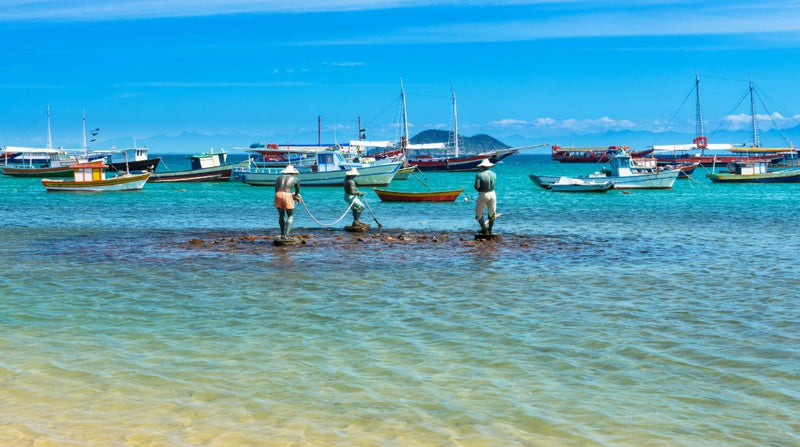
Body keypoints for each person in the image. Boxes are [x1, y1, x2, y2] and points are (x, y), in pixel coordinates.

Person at [274, 165, 301, 240]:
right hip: (288, 195)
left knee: (281, 215)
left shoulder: (278, 178)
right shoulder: (296, 179)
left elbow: (276, 189)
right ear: (293, 173)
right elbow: (297, 191)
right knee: (290, 215)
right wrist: (295, 196)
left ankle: (282, 234)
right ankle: (287, 235)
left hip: (278, 194)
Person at [474, 158, 497, 234]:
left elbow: (477, 186)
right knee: (492, 212)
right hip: (493, 194)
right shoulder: (494, 174)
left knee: (478, 213)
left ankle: (484, 229)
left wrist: (479, 190)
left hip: (483, 194)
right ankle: (490, 230)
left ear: (482, 166)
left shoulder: (479, 175)